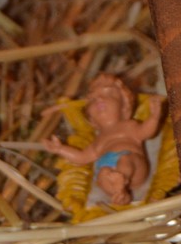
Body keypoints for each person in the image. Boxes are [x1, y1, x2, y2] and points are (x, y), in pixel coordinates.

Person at [39, 74, 165, 208]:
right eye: (92, 99)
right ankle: (120, 194)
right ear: (90, 117)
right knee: (103, 173)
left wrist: (154, 117)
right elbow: (82, 157)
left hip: (134, 167)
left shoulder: (129, 126)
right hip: (107, 166)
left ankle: (122, 180)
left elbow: (146, 131)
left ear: (124, 106)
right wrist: (60, 149)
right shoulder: (98, 140)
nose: (99, 99)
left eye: (109, 94)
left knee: (125, 160)